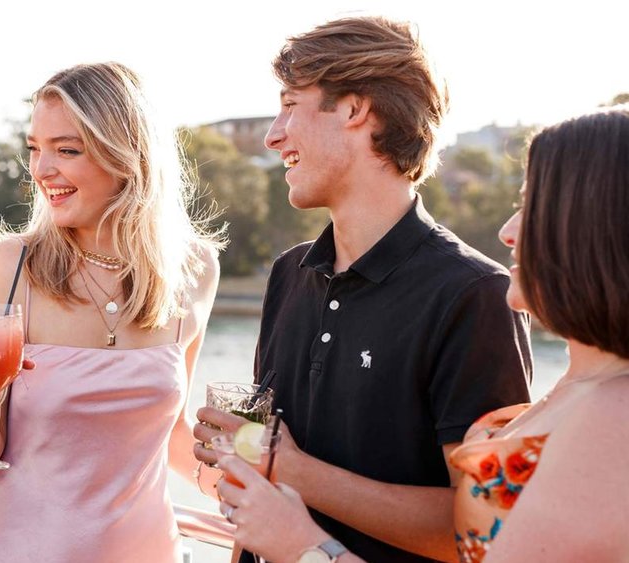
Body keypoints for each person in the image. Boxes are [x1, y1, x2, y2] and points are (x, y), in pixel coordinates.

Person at [216, 106, 629, 563]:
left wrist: (302, 546)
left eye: (533, 207)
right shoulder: (583, 388)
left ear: (599, 229)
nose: (508, 231)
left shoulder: (613, 417)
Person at [193, 16, 532, 563]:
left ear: (354, 109)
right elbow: (259, 491)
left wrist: (291, 467)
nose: (272, 134)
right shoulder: (288, 274)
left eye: (290, 105)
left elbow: (481, 530)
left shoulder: (475, 294)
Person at [0, 62, 222, 562]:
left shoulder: (196, 269)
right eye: (34, 149)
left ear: (127, 156)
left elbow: (171, 433)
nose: (40, 170)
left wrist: (239, 485)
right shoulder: (12, 267)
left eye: (66, 150)